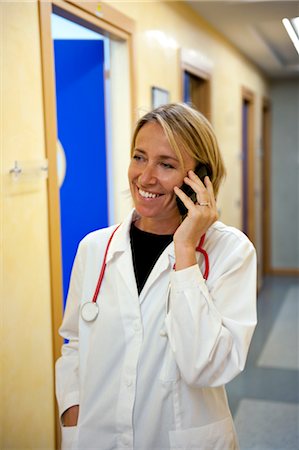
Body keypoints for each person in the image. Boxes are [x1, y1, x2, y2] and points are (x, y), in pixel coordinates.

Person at [56, 102, 257, 450]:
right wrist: (72, 414)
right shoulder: (95, 249)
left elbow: (205, 367)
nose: (145, 177)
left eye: (166, 164)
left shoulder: (230, 252)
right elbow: (73, 342)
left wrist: (185, 252)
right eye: (139, 157)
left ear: (201, 179)